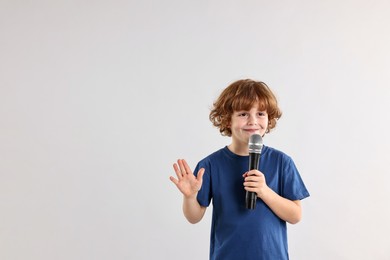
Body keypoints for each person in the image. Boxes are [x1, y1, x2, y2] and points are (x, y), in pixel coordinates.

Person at [169, 79, 310, 260]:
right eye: (243, 114)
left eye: (260, 113)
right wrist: (189, 197)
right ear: (228, 120)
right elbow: (194, 217)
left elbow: (295, 215)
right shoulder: (210, 165)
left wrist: (264, 191)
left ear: (269, 119)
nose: (253, 121)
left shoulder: (282, 162)